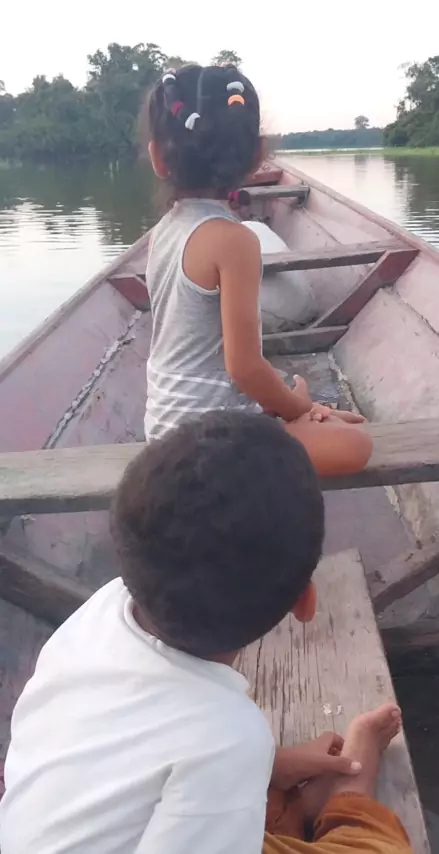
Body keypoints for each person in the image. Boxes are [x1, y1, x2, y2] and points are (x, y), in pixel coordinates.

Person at [0, 412, 411, 854]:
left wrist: (269, 764)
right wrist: (255, 760)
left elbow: (123, 756)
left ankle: (289, 796)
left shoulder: (101, 609)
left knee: (229, 792)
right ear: (305, 603)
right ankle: (349, 792)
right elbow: (204, 752)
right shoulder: (228, 738)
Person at [143, 63, 372, 477]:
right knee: (356, 444)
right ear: (257, 155)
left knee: (299, 400)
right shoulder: (234, 241)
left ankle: (290, 406)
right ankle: (292, 412)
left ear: (157, 157)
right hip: (209, 444)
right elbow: (244, 367)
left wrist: (293, 405)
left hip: (163, 428)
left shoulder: (162, 233)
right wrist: (301, 411)